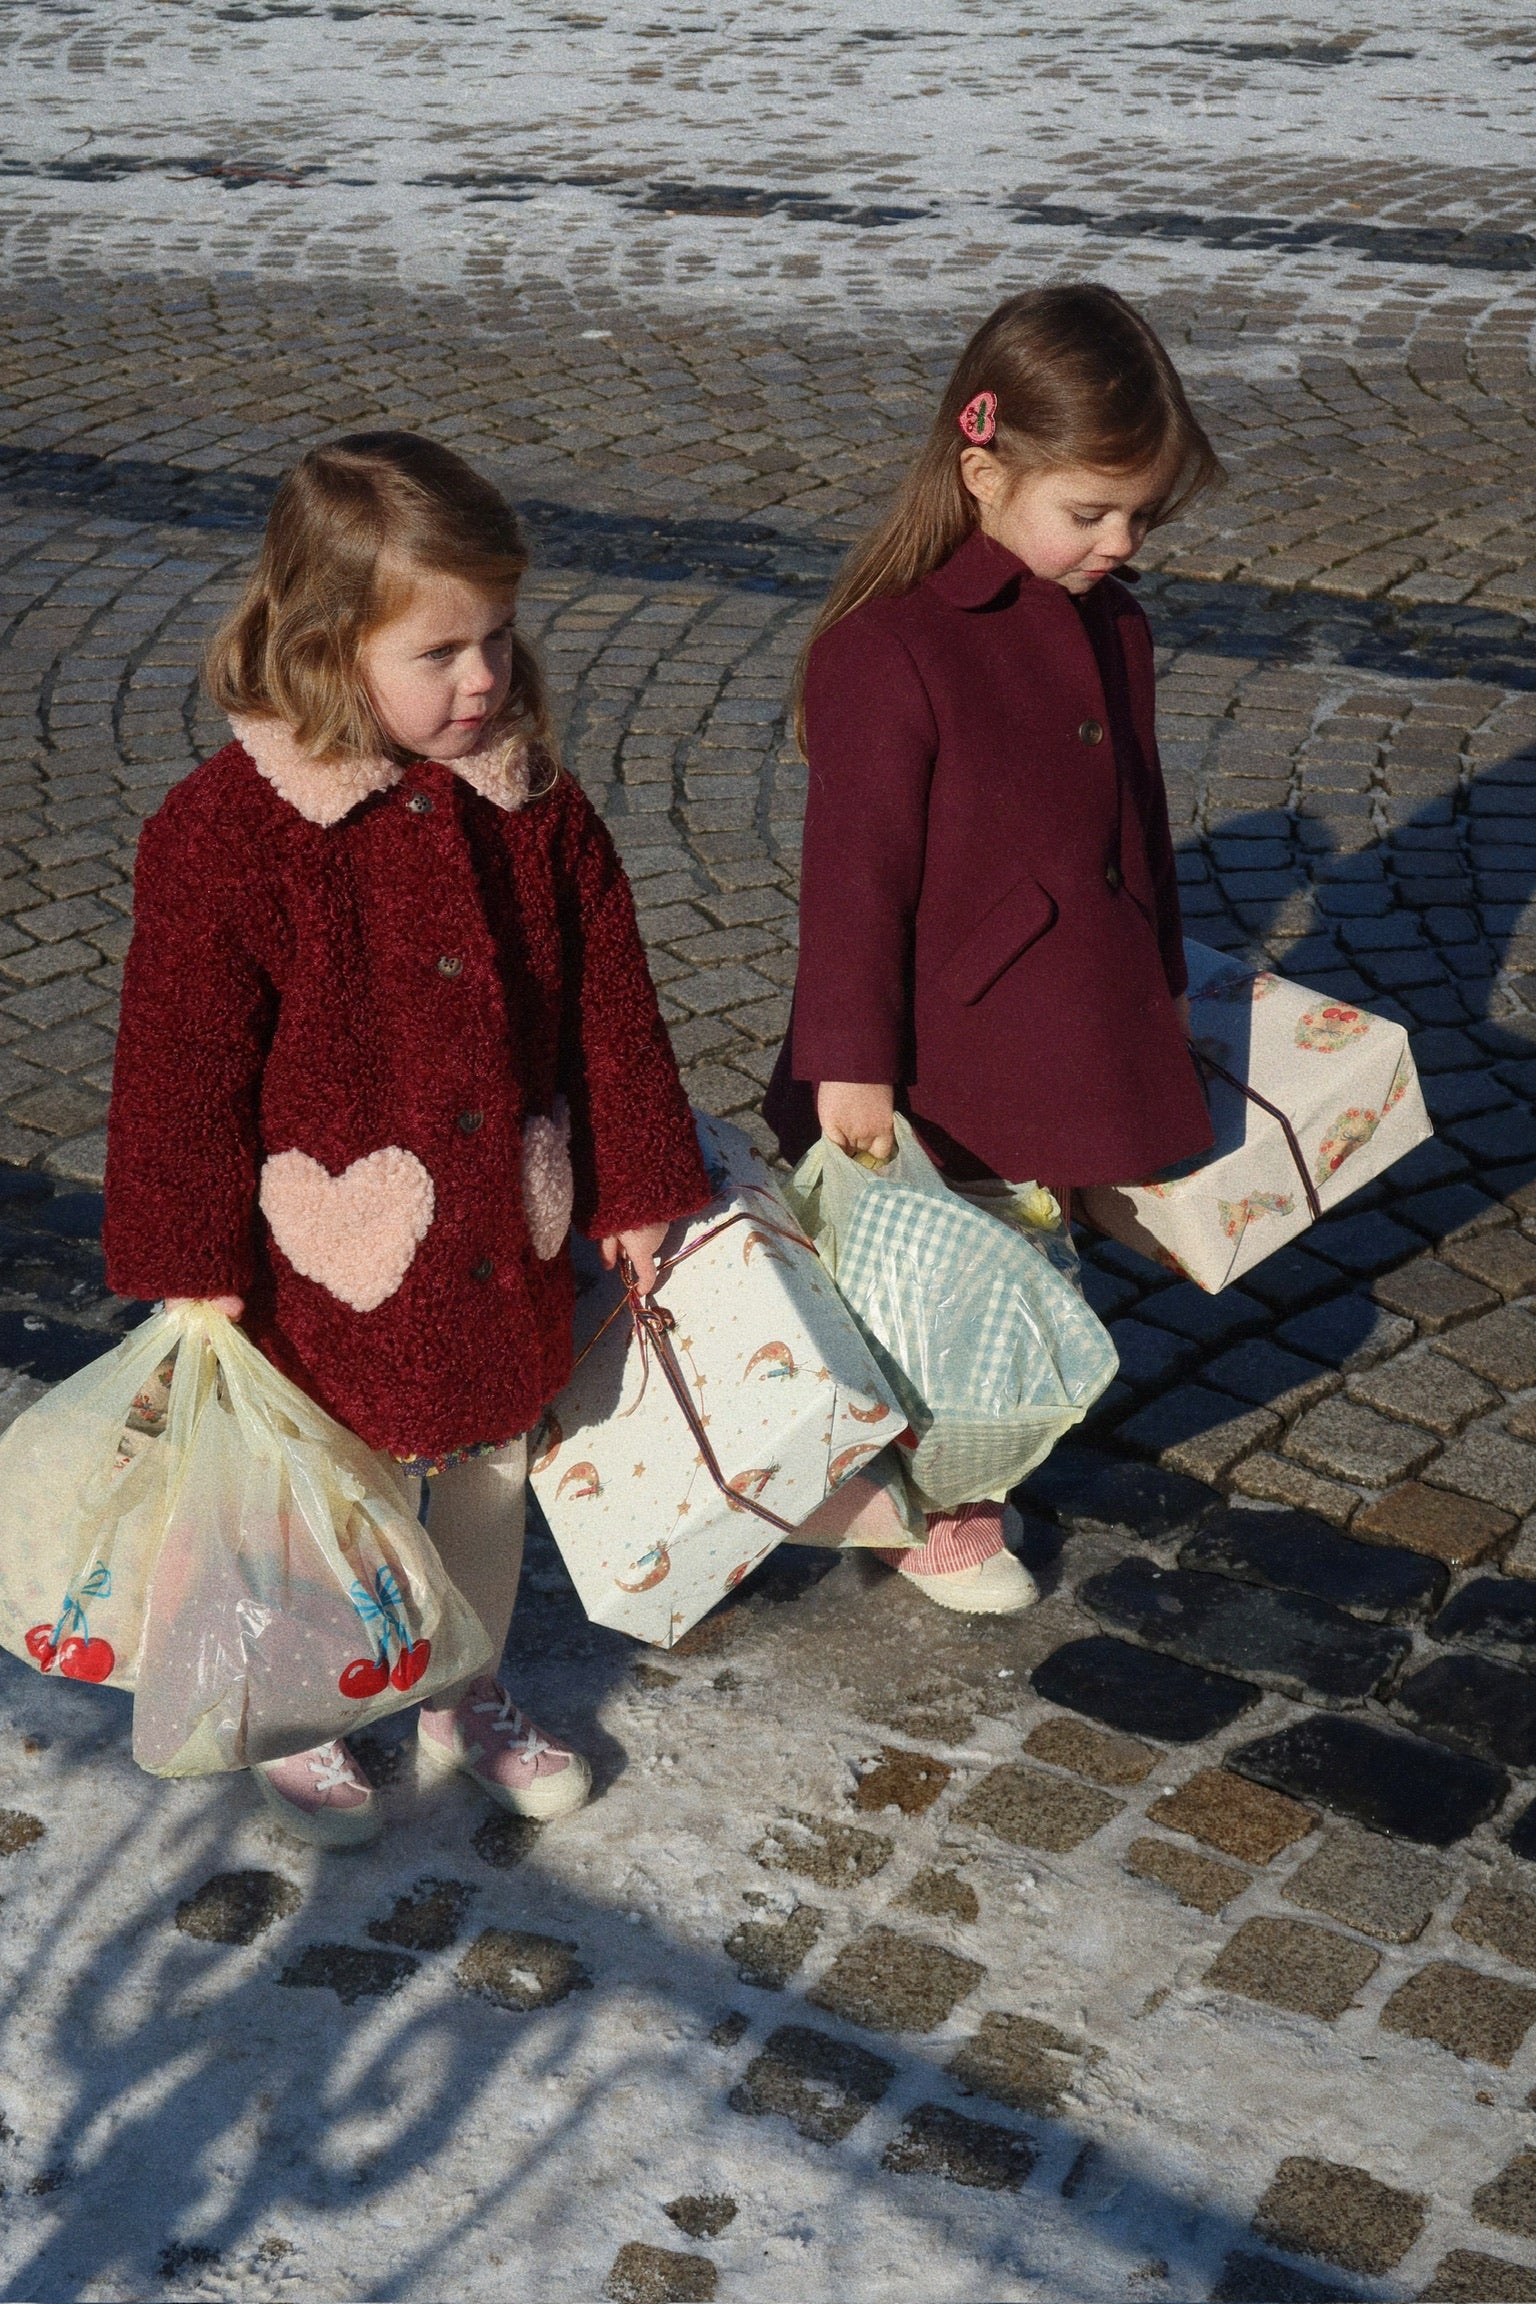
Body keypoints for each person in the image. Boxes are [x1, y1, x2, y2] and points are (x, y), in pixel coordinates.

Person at [103, 433, 710, 1847]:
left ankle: (461, 1678)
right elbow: (180, 1067)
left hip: (504, 1225)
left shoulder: (533, 799)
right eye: (438, 652)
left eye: (498, 639)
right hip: (317, 1262)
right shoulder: (230, 833)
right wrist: (191, 1263)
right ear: (326, 647)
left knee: (490, 1472)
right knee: (327, 1490)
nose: (485, 679)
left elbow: (612, 1002)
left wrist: (634, 1183)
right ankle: (299, 1693)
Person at [765, 284, 1223, 1616]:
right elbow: (854, 881)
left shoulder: (1112, 624)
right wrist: (851, 1063)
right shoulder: (892, 650)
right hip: (936, 1048)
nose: (1122, 544)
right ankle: (936, 1505)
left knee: (1027, 1250)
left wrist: (1162, 975)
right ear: (982, 470)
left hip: (1067, 1014)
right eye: (1091, 514)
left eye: (1143, 516)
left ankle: (965, 1462)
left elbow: (1139, 815)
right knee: (933, 1278)